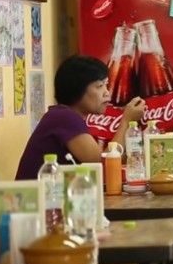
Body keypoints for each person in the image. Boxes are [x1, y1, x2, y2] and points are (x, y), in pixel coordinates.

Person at [15, 54, 145, 180]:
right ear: (77, 89)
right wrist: (127, 121)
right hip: (36, 195)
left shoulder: (63, 115)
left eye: (106, 85)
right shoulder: (65, 118)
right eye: (100, 86)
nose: (107, 93)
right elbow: (102, 166)